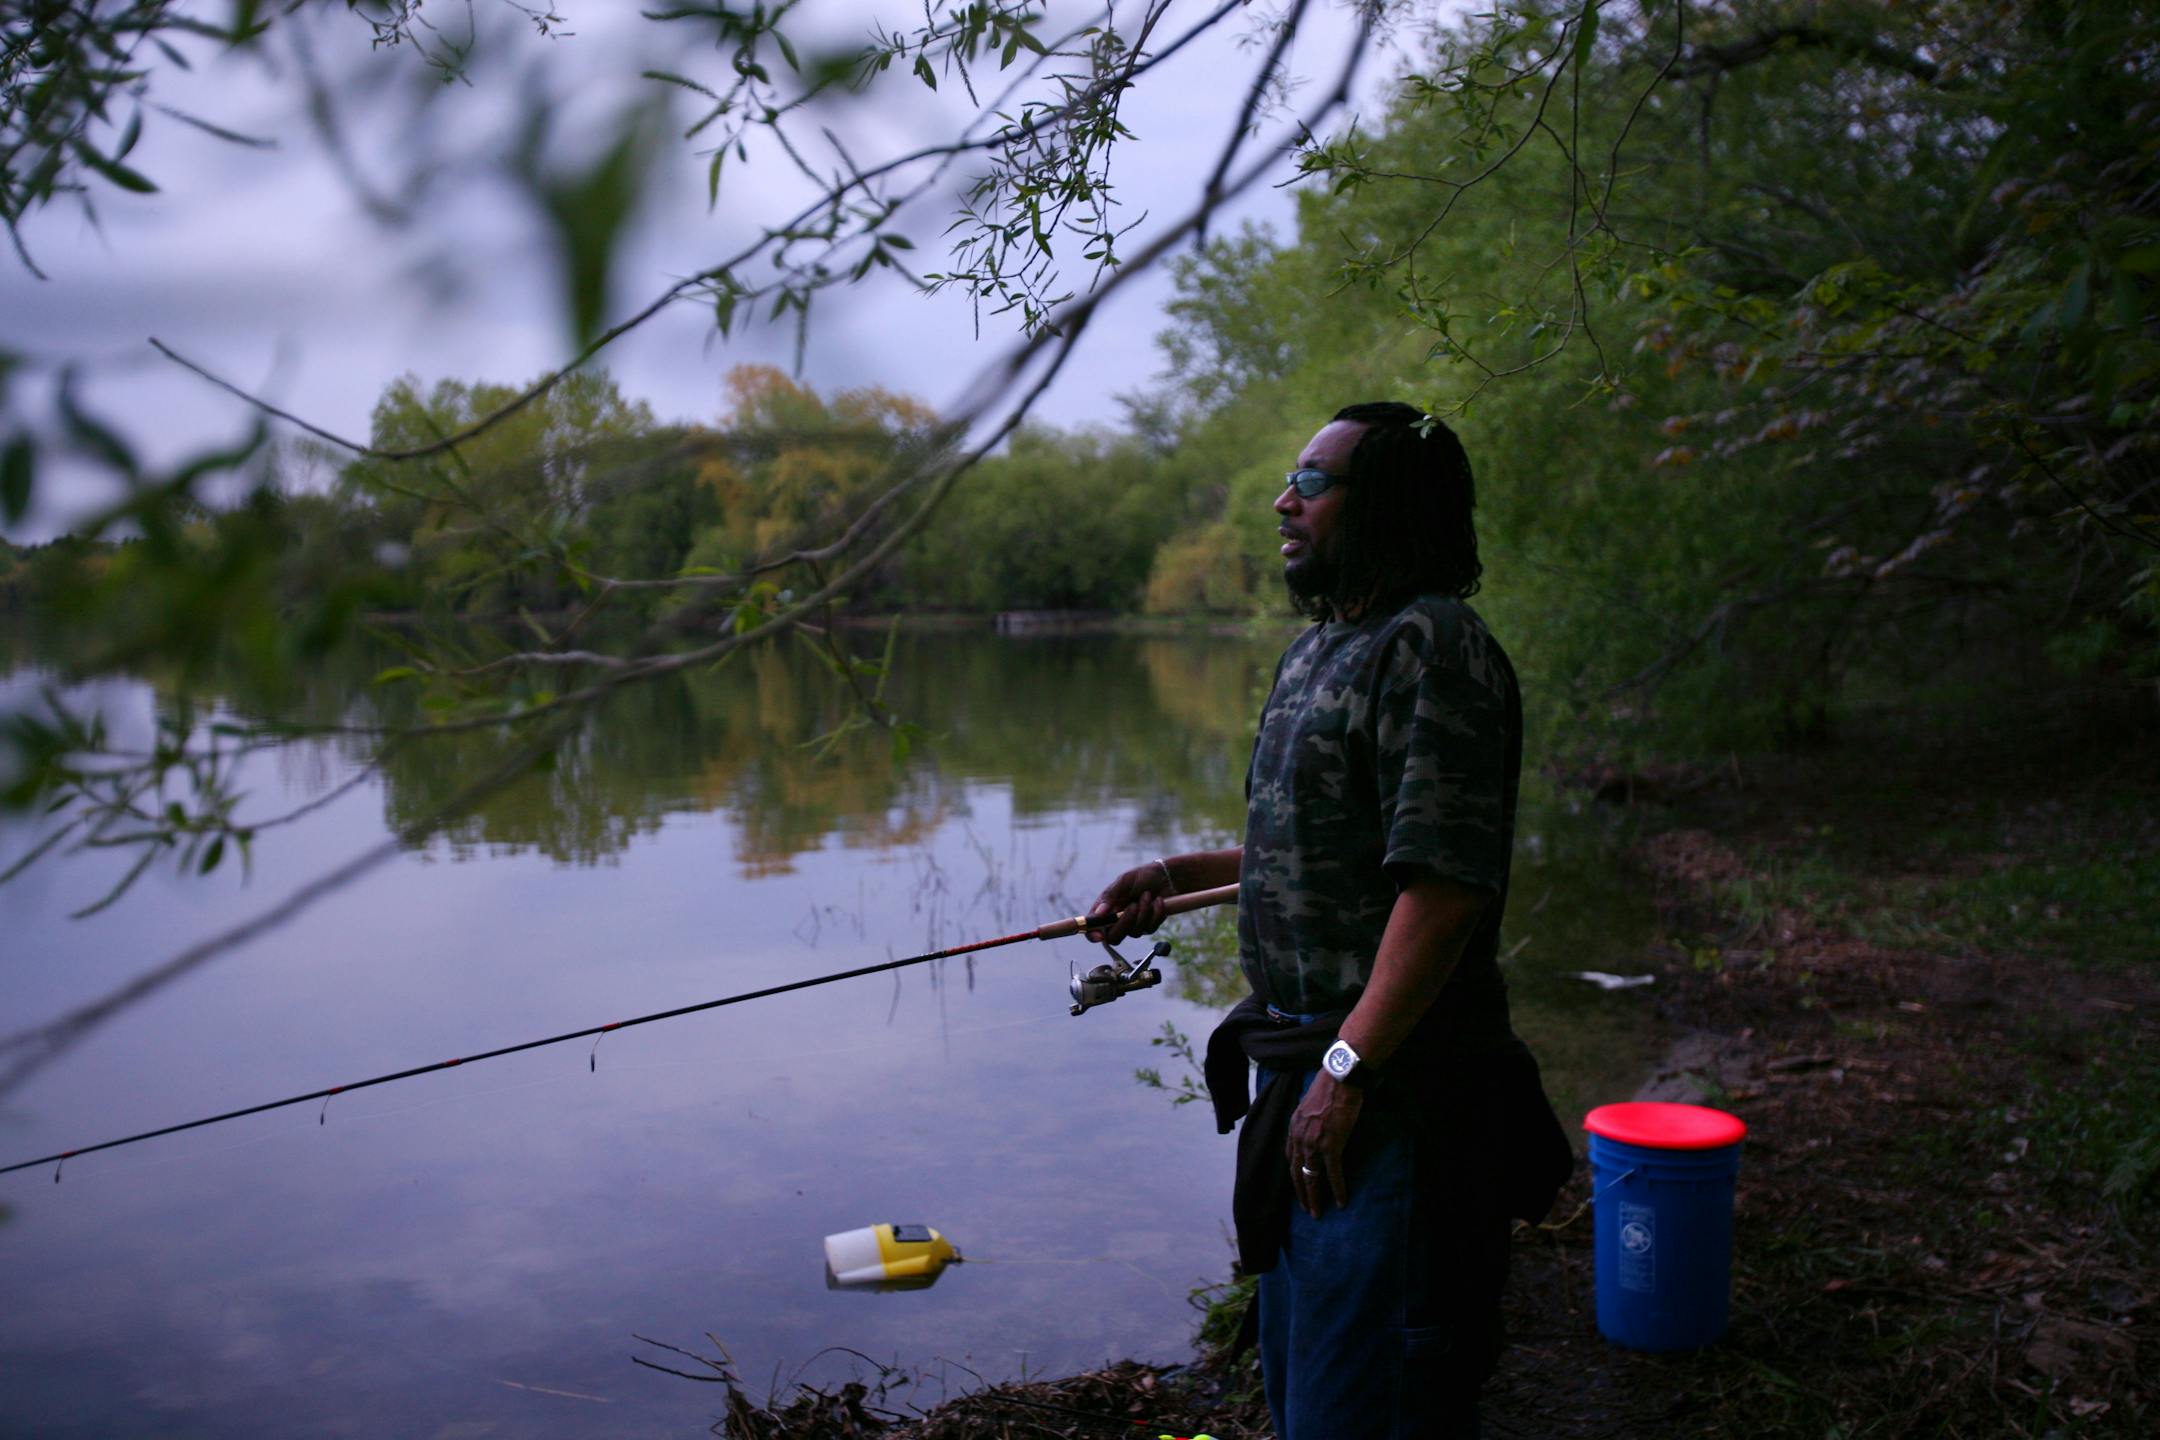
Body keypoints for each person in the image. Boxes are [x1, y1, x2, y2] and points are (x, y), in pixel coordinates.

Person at [1087, 402, 1572, 1440]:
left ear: (1386, 501)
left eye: (1311, 481)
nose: (1282, 500)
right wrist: (1171, 873)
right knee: (1305, 1386)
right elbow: (1316, 840)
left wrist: (1346, 1074)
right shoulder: (1320, 649)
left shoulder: (1434, 645)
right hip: (1307, 1072)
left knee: (1376, 1399)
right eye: (1290, 479)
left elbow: (1442, 891)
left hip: (1396, 1097)